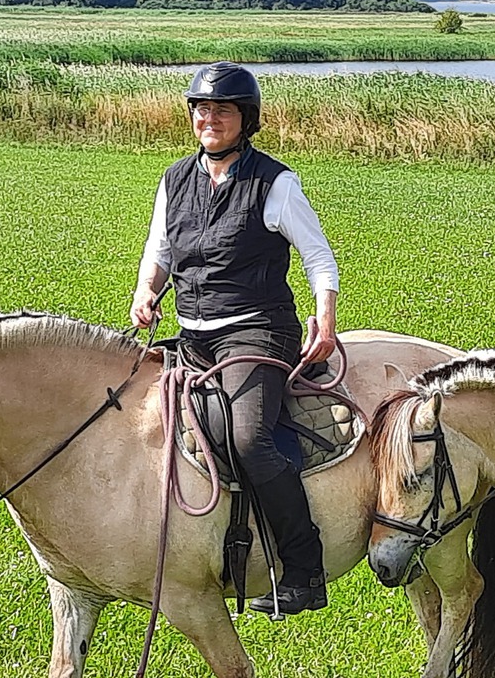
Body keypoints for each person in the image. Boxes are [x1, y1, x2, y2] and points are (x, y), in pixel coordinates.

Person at [130, 61, 339, 615]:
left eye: (222, 110)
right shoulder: (175, 179)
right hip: (192, 334)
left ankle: (304, 571)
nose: (209, 119)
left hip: (256, 331)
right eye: (201, 109)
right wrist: (146, 291)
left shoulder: (275, 183)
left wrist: (325, 317)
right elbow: (160, 251)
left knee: (249, 441)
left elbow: (318, 257)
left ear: (246, 119)